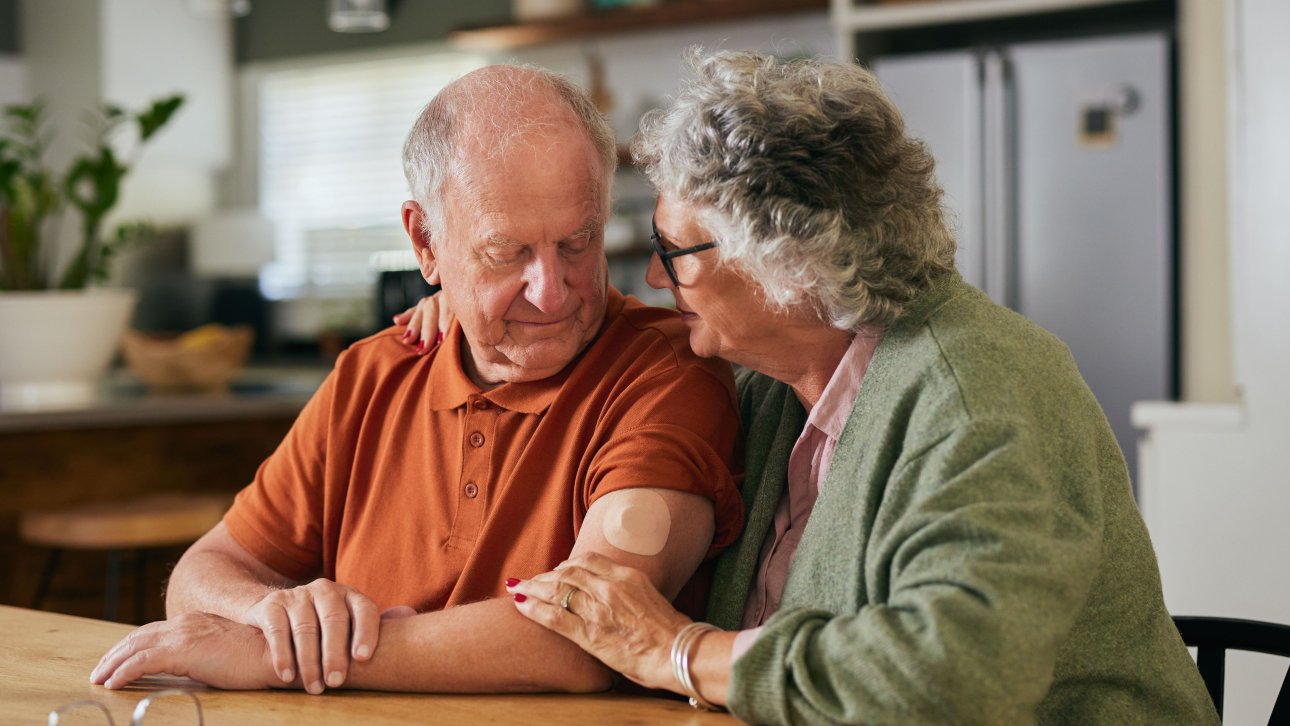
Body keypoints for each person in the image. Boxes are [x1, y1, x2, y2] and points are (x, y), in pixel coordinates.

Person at [401, 50, 1219, 724]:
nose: (653, 275)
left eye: (675, 250)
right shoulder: (768, 386)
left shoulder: (978, 388)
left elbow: (951, 677)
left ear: (787, 266)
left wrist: (681, 651)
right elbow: (596, 338)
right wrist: (468, 292)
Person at [89, 64, 744, 695]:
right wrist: (273, 615)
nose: (552, 293)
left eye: (578, 242)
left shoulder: (670, 371)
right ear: (425, 242)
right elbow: (204, 575)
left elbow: (587, 638)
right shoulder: (373, 374)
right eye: (507, 252)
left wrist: (282, 657)